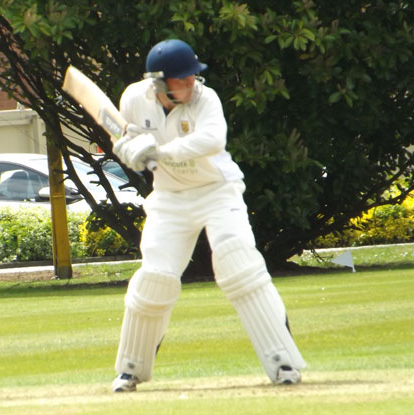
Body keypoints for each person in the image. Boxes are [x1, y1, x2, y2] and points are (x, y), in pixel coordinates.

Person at [110, 39, 306, 392]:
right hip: (169, 197)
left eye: (192, 76)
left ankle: (284, 363)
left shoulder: (206, 99)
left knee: (238, 261)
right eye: (181, 79)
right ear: (158, 83)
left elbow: (212, 140)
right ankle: (130, 370)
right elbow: (129, 137)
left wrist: (159, 151)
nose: (191, 83)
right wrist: (127, 149)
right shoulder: (134, 98)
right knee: (155, 275)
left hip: (217, 190)